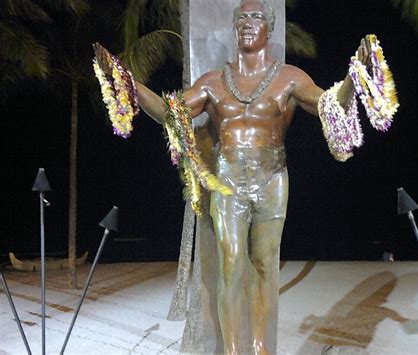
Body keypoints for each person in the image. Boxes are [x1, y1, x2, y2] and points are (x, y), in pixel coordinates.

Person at [94, 1, 373, 353]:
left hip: (272, 176)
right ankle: (232, 351)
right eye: (241, 17)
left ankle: (261, 349)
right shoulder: (213, 82)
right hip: (227, 179)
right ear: (234, 27)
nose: (247, 22)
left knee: (265, 265)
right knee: (230, 264)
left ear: (268, 28)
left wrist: (354, 76)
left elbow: (328, 105)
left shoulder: (289, 77)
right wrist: (129, 84)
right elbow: (170, 113)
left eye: (256, 16)